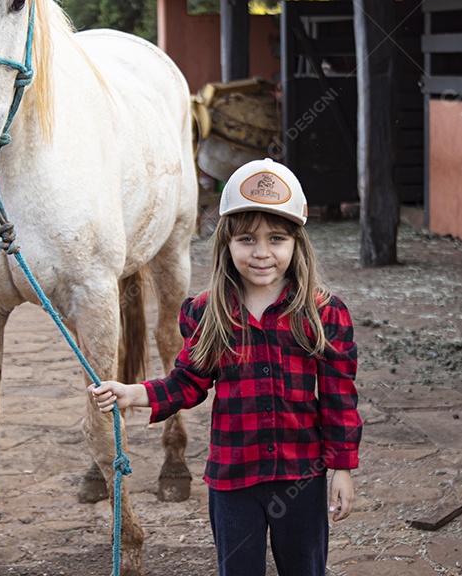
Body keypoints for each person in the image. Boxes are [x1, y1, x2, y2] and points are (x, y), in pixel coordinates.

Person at [90, 158, 362, 576]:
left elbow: (339, 399)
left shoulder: (323, 315)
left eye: (276, 239)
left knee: (306, 569)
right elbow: (187, 383)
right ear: (227, 243)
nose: (262, 253)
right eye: (247, 240)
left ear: (296, 244)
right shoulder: (207, 313)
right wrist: (134, 393)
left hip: (301, 477)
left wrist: (341, 468)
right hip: (233, 481)